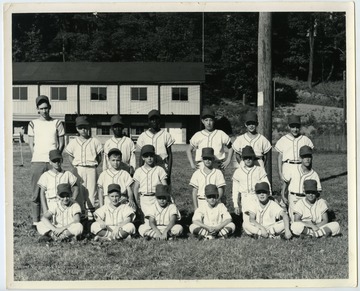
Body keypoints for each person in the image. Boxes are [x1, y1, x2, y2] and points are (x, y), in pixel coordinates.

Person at [28, 95, 65, 230]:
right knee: (36, 192)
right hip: (37, 161)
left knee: (54, 191)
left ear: (50, 108)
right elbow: (31, 144)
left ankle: (54, 219)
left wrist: (55, 157)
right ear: (38, 109)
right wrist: (37, 155)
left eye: (46, 108)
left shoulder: (57, 123)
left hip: (52, 162)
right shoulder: (33, 123)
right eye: (41, 108)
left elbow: (61, 143)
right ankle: (36, 220)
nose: (44, 111)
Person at [65, 116, 103, 221]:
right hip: (78, 169)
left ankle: (91, 220)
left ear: (89, 128)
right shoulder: (73, 141)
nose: (84, 130)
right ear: (77, 129)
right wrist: (74, 166)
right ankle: (81, 218)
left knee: (91, 193)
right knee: (79, 194)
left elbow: (99, 157)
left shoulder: (95, 141)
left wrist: (94, 165)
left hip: (91, 168)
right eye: (81, 128)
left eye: (86, 127)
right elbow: (69, 155)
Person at [275, 115, 314, 199]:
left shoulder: (305, 139)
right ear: (289, 127)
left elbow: (310, 156)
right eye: (292, 127)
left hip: (301, 166)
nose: (295, 129)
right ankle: (285, 207)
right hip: (288, 166)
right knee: (285, 190)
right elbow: (279, 157)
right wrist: (280, 172)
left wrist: (309, 169)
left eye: (297, 127)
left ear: (300, 127)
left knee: (300, 188)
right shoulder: (283, 139)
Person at [281, 145, 321, 222]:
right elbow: (285, 183)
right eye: (304, 157)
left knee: (307, 219)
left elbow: (318, 192)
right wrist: (283, 195)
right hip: (293, 197)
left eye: (309, 156)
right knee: (294, 222)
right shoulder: (293, 169)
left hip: (306, 199)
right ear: (300, 158)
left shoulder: (314, 174)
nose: (307, 159)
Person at [232, 145, 271, 221]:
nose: (248, 159)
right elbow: (235, 190)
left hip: (257, 197)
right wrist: (236, 205)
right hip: (245, 198)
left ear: (254, 157)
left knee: (261, 220)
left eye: (250, 157)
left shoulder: (259, 170)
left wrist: (269, 198)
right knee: (248, 223)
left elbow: (267, 185)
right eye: (246, 158)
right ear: (242, 159)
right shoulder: (238, 172)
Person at [137, 109, 175, 183]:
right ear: (149, 121)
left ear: (159, 120)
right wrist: (140, 171)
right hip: (147, 167)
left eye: (156, 119)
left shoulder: (166, 135)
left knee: (163, 191)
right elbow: (141, 156)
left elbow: (170, 155)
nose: (154, 121)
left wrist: (169, 173)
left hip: (162, 166)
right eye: (152, 119)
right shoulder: (143, 136)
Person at [38, 149, 79, 214]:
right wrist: (45, 209)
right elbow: (42, 193)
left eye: (58, 160)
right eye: (54, 161)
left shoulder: (67, 174)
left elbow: (76, 188)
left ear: (62, 160)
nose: (56, 163)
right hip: (51, 204)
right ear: (50, 162)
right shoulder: (45, 175)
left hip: (64, 204)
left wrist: (72, 200)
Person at [133, 145, 168, 218]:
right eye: (146, 156)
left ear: (154, 156)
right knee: (147, 221)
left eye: (151, 156)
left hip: (156, 198)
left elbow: (165, 186)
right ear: (143, 158)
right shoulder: (139, 171)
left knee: (157, 219)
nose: (149, 158)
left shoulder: (159, 169)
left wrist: (168, 198)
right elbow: (136, 188)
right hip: (144, 199)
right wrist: (136, 202)